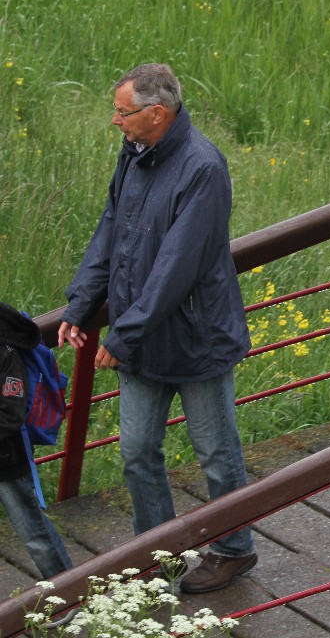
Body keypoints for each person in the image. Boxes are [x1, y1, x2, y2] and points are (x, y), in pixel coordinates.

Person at [57, 63, 257, 594]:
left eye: (122, 112)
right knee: (137, 451)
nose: (115, 121)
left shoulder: (203, 167)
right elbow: (110, 230)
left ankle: (234, 549)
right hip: (142, 339)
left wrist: (123, 335)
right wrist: (80, 304)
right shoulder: (135, 151)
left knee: (216, 452)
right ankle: (157, 555)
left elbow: (176, 267)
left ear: (157, 113)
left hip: (195, 338)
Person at [1, 302, 74, 580]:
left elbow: (11, 412)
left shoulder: (5, 349)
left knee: (34, 533)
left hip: (7, 458)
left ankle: (67, 591)